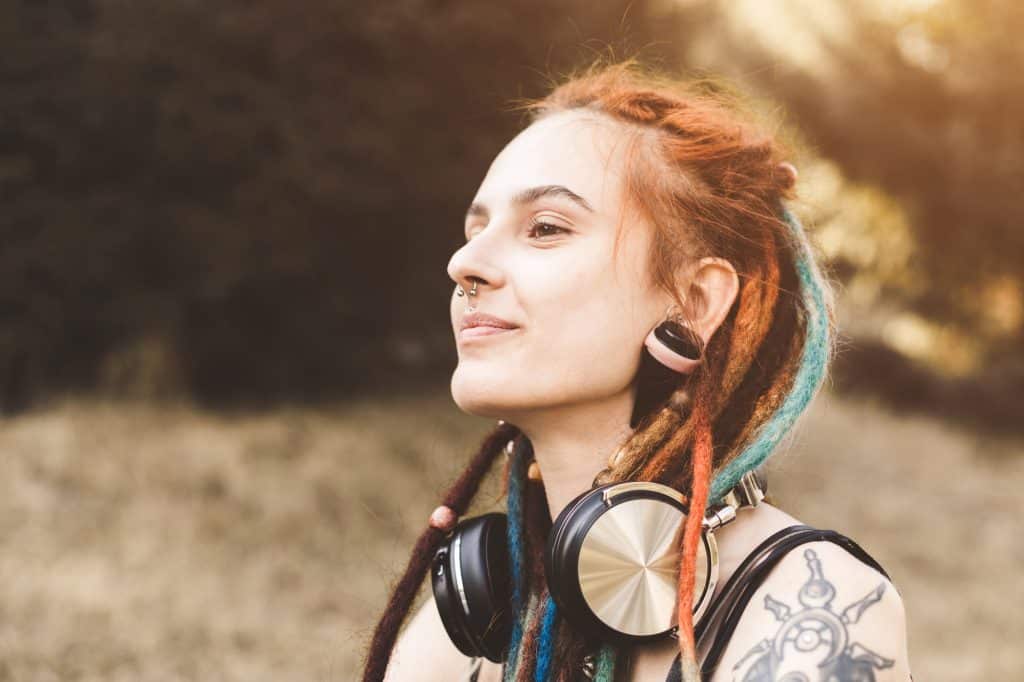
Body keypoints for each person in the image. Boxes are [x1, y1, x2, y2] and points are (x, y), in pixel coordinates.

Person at [363, 57, 913, 682]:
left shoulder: (813, 602)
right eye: (475, 229)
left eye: (544, 227)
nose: (465, 262)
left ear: (695, 302)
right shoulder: (475, 618)